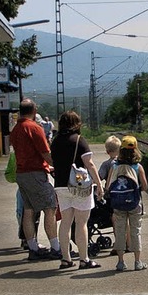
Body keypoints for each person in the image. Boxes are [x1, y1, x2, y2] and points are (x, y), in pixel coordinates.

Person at [50, 110, 103, 269]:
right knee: (81, 223)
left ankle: (65, 259)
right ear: (76, 124)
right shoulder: (79, 140)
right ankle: (84, 259)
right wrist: (99, 184)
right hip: (79, 186)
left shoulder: (55, 141)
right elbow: (89, 163)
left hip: (60, 185)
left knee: (65, 222)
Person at [10, 98, 61, 261]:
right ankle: (55, 247)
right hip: (35, 174)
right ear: (34, 110)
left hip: (22, 173)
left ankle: (32, 247)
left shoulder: (16, 129)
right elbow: (45, 154)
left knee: (28, 210)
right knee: (50, 207)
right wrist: (58, 166)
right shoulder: (34, 128)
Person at [107, 135, 148, 272]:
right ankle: (137, 262)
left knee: (120, 231)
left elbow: (108, 186)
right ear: (135, 150)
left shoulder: (114, 167)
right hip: (134, 203)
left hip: (118, 204)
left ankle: (120, 262)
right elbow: (145, 186)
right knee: (135, 231)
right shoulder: (138, 167)